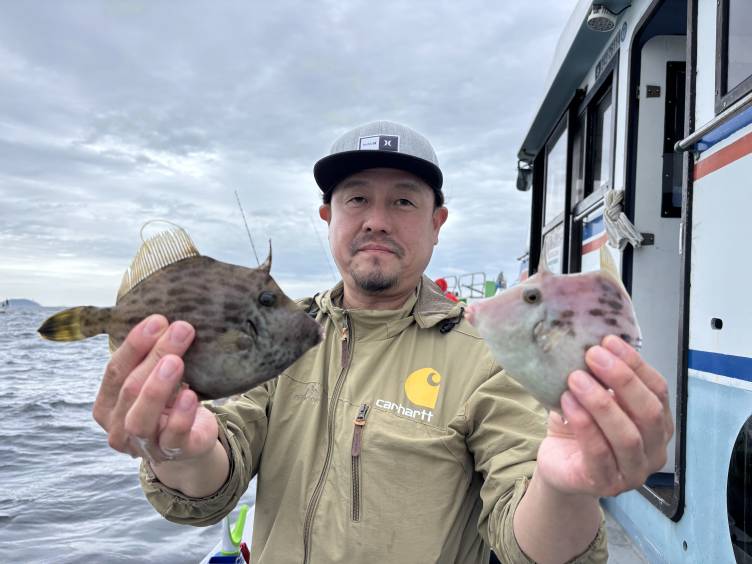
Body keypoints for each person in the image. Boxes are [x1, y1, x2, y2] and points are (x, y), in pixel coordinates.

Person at [93, 121, 674, 563]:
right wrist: (183, 450)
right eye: (356, 199)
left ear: (437, 223)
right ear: (328, 216)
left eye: (402, 200)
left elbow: (526, 533)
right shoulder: (283, 335)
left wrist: (564, 489)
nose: (376, 219)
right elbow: (219, 463)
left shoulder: (487, 351)